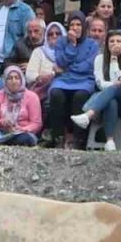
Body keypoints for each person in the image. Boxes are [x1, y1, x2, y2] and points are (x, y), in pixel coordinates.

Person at [70, 29, 121, 151]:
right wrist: (114, 84)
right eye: (111, 41)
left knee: (116, 89)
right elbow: (100, 83)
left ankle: (89, 114)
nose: (115, 44)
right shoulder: (99, 59)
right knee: (111, 102)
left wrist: (114, 60)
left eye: (118, 41)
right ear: (106, 44)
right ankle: (110, 141)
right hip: (105, 98)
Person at [46, 12, 100, 148]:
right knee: (56, 93)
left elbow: (88, 66)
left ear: (84, 27)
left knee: (80, 96)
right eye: (72, 25)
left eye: (78, 24)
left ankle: (78, 138)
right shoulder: (61, 42)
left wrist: (69, 68)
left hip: (84, 80)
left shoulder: (92, 44)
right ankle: (58, 136)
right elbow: (60, 61)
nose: (75, 28)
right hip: (64, 79)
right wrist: (72, 45)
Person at [26, 21, 63, 97]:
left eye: (58, 33)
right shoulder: (38, 51)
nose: (54, 36)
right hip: (42, 88)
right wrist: (41, 78)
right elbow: (29, 75)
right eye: (50, 34)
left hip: (63, 87)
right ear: (46, 36)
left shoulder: (69, 52)